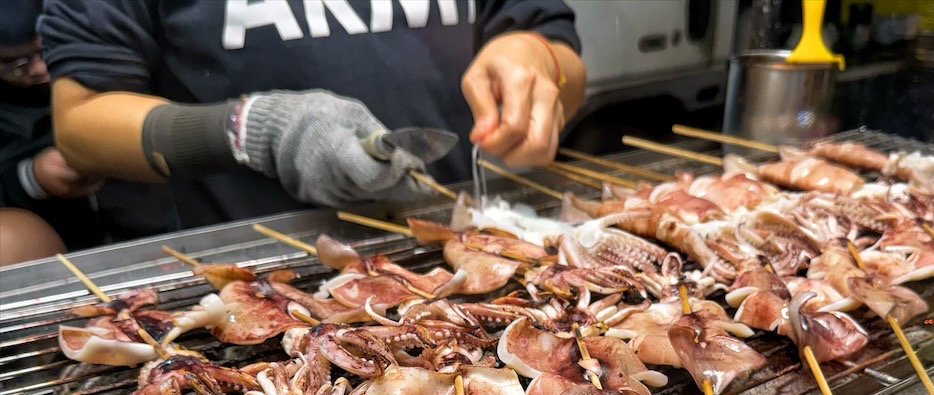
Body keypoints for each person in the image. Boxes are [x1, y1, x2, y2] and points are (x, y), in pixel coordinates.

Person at [39, 0, 586, 230]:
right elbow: (81, 124)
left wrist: (536, 57)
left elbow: (561, 57)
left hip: (454, 246)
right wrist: (253, 127)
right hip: (262, 278)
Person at [0, 0, 104, 254]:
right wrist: (30, 178)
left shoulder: (104, 53)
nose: (39, 69)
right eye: (16, 64)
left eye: (46, 50)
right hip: (58, 245)